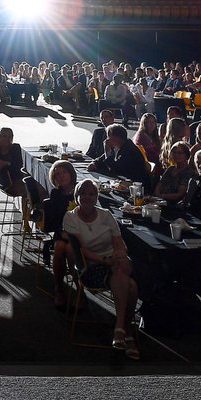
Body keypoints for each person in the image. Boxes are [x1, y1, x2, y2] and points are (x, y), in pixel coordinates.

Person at [62, 178, 140, 358]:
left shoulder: (106, 215)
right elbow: (82, 251)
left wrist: (119, 257)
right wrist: (105, 260)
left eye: (92, 194)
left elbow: (118, 244)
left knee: (122, 267)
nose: (87, 197)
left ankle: (120, 329)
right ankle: (126, 331)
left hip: (114, 260)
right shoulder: (70, 218)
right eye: (83, 194)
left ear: (97, 197)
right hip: (91, 266)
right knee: (131, 287)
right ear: (77, 196)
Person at [90, 125, 153, 191]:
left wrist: (107, 150)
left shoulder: (129, 150)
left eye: (109, 137)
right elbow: (104, 157)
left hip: (136, 185)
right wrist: (95, 163)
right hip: (125, 181)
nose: (107, 140)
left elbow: (115, 169)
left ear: (117, 137)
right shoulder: (118, 145)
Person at [0, 126, 25, 197]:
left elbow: (20, 165)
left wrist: (6, 163)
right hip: (9, 184)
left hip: (18, 179)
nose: (7, 139)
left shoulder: (16, 148)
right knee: (32, 188)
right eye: (4, 136)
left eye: (9, 137)